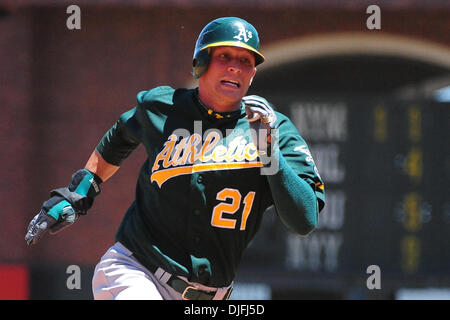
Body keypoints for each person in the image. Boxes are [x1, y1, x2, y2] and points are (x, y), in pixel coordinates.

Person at [25, 17, 325, 300]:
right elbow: (120, 137)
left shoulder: (276, 129)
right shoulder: (161, 106)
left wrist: (269, 152)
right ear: (201, 63)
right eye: (224, 57)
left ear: (253, 73)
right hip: (136, 270)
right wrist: (82, 191)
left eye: (245, 61)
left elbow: (304, 220)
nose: (235, 67)